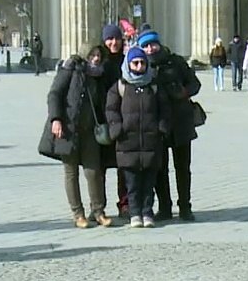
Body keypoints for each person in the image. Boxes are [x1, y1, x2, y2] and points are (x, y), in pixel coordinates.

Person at [40, 43, 112, 229]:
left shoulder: (99, 75)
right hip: (68, 130)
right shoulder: (70, 69)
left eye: (98, 55)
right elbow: (54, 94)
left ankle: (98, 211)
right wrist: (56, 119)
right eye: (92, 55)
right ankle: (78, 214)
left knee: (93, 171)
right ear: (84, 55)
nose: (96, 58)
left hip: (90, 131)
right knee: (71, 173)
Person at [138, 27, 201, 221]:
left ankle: (185, 207)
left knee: (183, 168)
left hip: (181, 122)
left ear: (159, 43)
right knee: (159, 169)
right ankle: (165, 207)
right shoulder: (142, 66)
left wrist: (183, 92)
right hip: (158, 125)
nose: (150, 49)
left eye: (153, 44)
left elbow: (195, 84)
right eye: (146, 46)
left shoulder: (176, 62)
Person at [107, 46, 168, 228]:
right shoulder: (120, 86)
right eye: (135, 62)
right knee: (132, 184)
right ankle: (135, 213)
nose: (139, 66)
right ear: (128, 64)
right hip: (127, 144)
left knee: (149, 182)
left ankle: (147, 212)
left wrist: (162, 128)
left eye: (142, 62)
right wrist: (117, 129)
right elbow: (111, 110)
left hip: (151, 143)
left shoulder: (154, 86)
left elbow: (165, 110)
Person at [101, 24, 128, 217]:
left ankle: (125, 203)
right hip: (102, 122)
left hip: (124, 120)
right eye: (109, 39)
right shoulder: (98, 65)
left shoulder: (128, 62)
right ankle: (99, 206)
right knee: (99, 166)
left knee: (124, 166)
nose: (113, 42)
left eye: (116, 38)